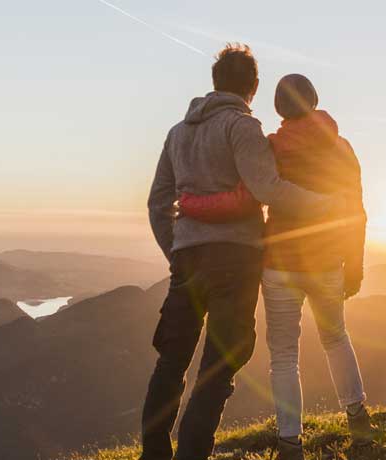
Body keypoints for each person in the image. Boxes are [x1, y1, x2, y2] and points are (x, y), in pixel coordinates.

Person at [142, 44, 335, 460]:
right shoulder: (242, 127)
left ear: (214, 83)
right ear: (254, 87)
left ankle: (154, 453)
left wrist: (175, 249)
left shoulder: (178, 133)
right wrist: (324, 204)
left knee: (171, 361)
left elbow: (158, 202)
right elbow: (269, 190)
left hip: (188, 260)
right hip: (235, 259)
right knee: (217, 366)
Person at [177, 73, 373, 459]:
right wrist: (356, 264)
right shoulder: (342, 148)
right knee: (336, 338)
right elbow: (356, 211)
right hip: (327, 262)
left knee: (284, 354)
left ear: (279, 108)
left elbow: (256, 193)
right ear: (314, 100)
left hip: (280, 264)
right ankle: (358, 420)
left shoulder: (271, 149)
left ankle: (289, 444)